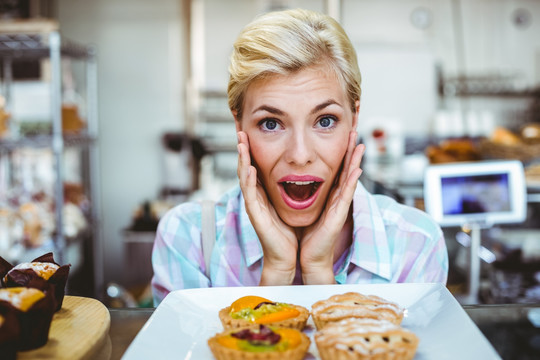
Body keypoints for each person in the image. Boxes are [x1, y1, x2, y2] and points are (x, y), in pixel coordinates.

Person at [151, 8, 448, 305]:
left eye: (325, 121)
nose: (300, 155)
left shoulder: (416, 245)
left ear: (354, 119)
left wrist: (319, 273)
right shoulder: (189, 239)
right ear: (239, 124)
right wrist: (277, 273)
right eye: (271, 124)